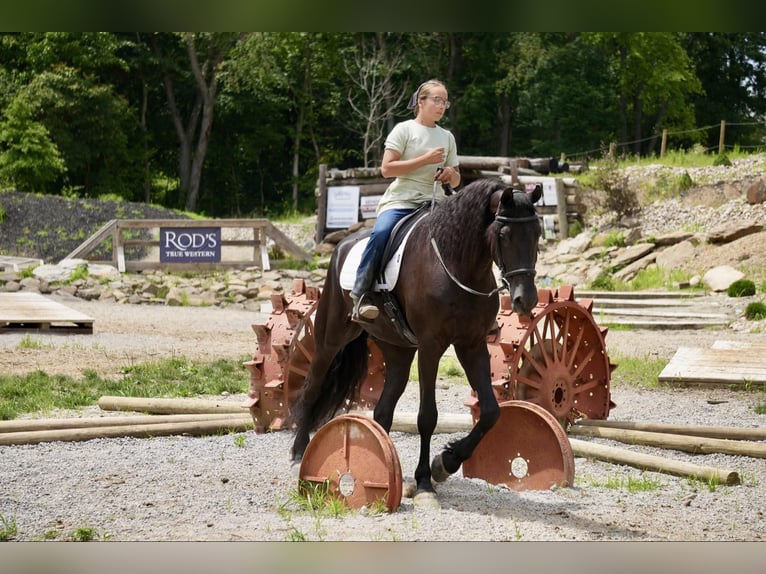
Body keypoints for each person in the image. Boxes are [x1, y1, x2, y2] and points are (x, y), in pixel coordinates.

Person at [350, 79, 460, 322]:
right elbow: (387, 169)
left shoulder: (447, 137)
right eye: (437, 100)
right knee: (381, 233)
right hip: (402, 201)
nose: (442, 106)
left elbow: (456, 181)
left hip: (436, 202)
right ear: (421, 102)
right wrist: (425, 159)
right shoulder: (404, 130)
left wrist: (450, 174)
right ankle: (361, 294)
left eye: (445, 102)